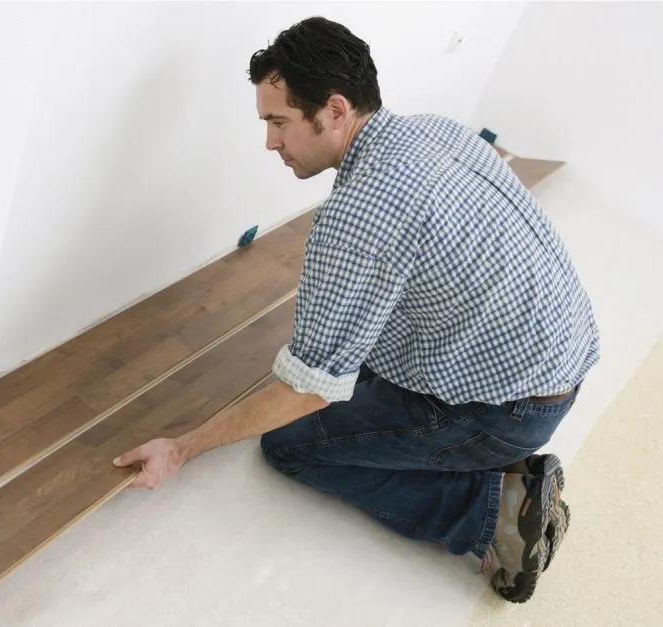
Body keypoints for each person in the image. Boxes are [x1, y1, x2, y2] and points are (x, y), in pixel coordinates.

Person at [113, 16, 599, 604]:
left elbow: (307, 391)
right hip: (560, 362)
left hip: (507, 410)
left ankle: (495, 511)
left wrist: (182, 447)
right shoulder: (436, 130)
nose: (270, 143)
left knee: (289, 444)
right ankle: (492, 470)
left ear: (336, 109)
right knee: (348, 377)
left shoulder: (359, 215)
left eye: (278, 122)